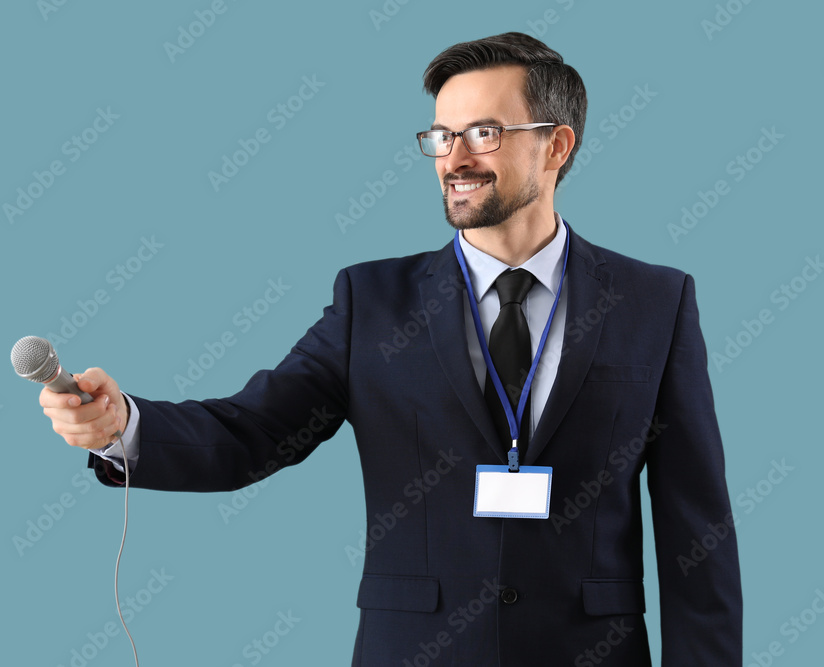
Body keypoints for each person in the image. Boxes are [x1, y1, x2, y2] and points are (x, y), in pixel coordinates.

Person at [38, 32, 741, 666]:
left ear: (556, 146)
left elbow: (696, 533)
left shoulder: (656, 301)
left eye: (484, 133)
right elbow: (253, 433)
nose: (455, 158)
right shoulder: (370, 303)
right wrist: (124, 425)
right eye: (441, 136)